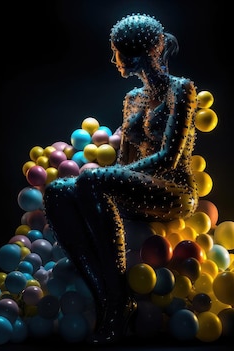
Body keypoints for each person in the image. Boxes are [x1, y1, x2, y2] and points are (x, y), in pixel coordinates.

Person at [43, 13, 199, 344]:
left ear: (136, 54)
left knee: (91, 181)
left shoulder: (181, 89)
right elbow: (128, 158)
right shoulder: (131, 99)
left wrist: (106, 178)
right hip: (134, 188)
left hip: (173, 190)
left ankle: (116, 301)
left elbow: (170, 158)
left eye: (117, 52)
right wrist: (107, 178)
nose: (114, 60)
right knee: (57, 190)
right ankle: (106, 294)